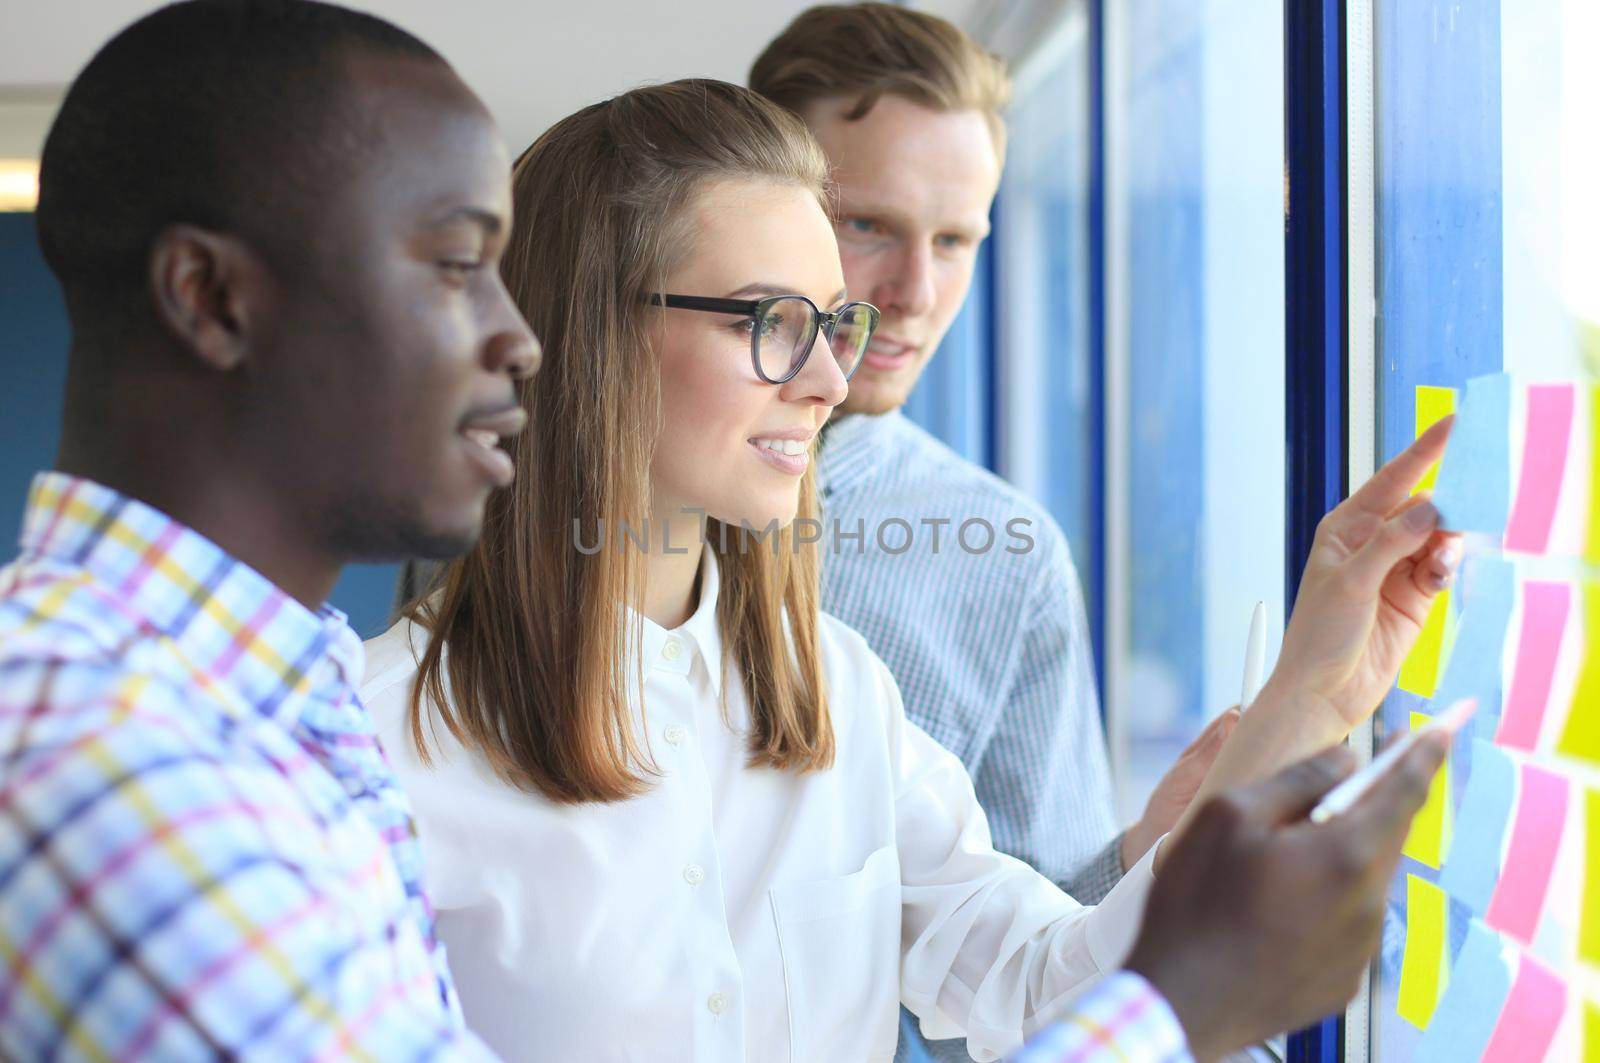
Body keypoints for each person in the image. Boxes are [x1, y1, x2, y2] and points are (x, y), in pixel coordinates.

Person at [366, 77, 1460, 1062]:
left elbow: (1044, 984)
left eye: (831, 323)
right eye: (774, 322)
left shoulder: (839, 695)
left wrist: (1308, 697)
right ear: (593, 333)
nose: (831, 379)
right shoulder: (377, 743)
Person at [0, 1, 539, 1056]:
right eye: (455, 264)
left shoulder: (252, 706)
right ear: (211, 297)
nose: (517, 337)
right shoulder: (110, 761)